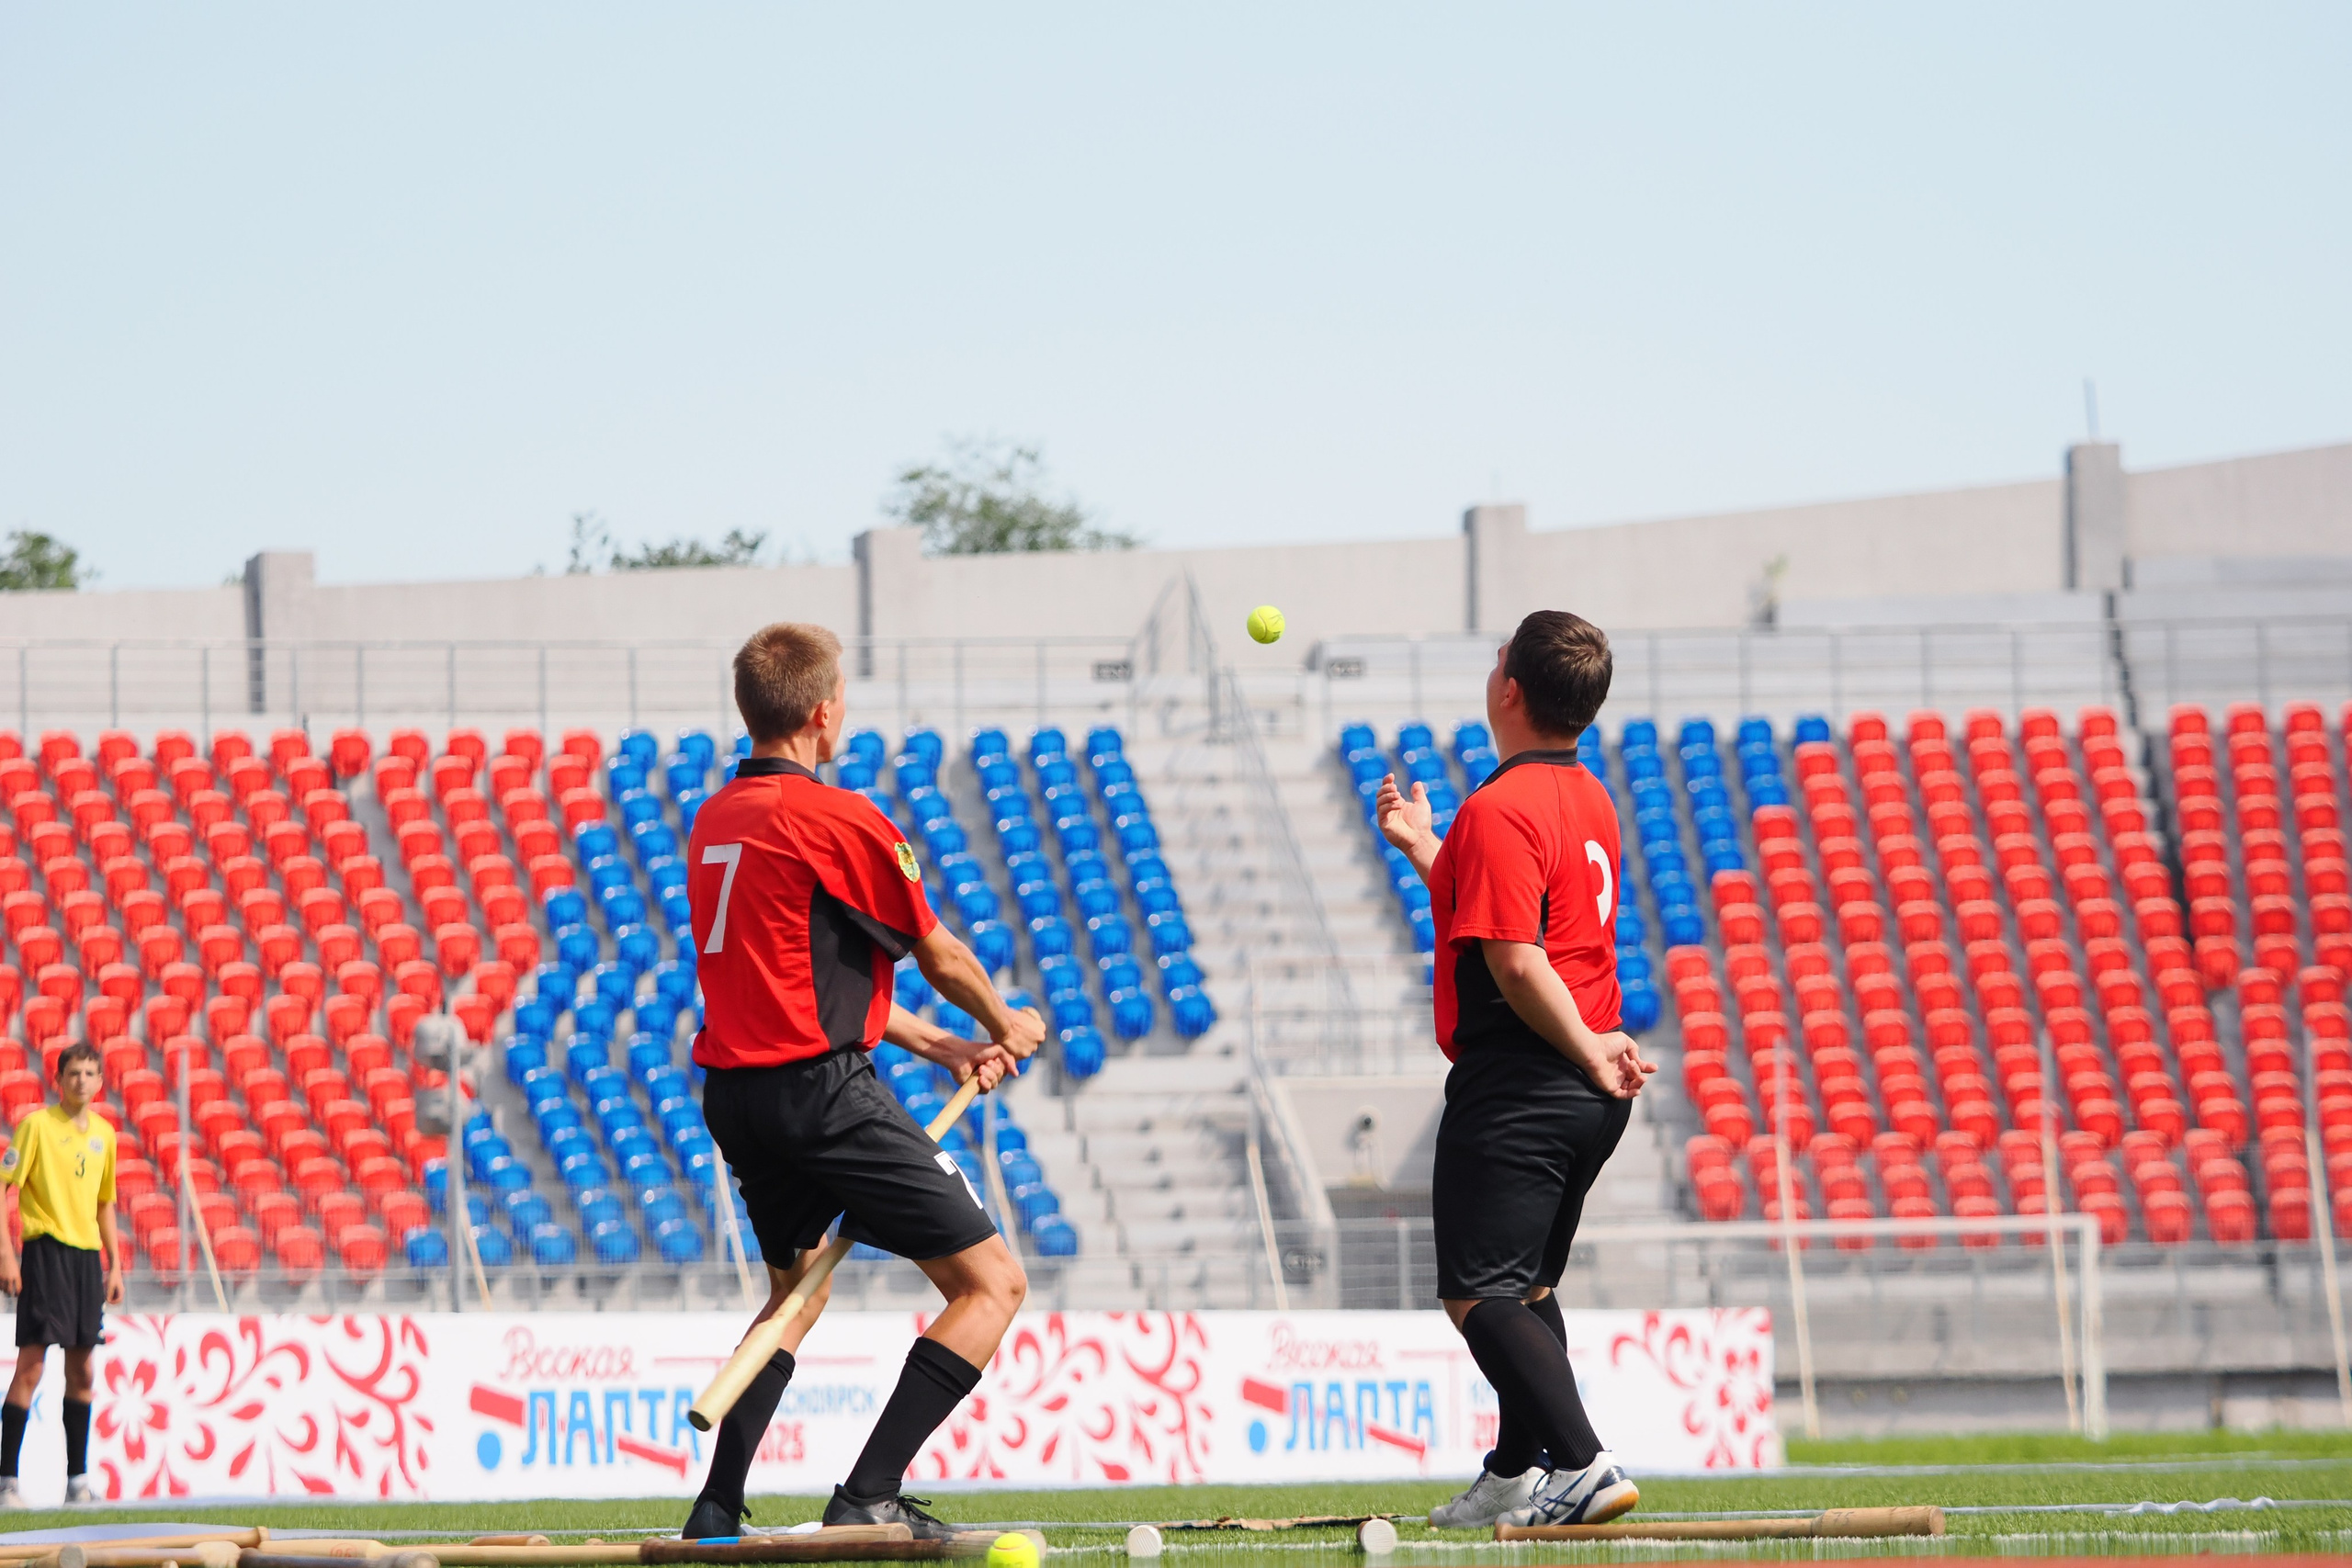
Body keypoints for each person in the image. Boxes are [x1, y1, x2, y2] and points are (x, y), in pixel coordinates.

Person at [681, 621, 1046, 1542]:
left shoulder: (716, 818)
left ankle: (715, 1509)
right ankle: (868, 1493)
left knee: (795, 1295)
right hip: (821, 1095)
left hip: (738, 1096)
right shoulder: (837, 818)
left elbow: (808, 981)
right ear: (823, 711)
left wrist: (946, 1049)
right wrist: (1003, 1022)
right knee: (992, 1285)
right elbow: (940, 953)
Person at [1376, 609, 1655, 1529]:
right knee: (1527, 1291)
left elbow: (1519, 963)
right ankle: (1513, 1471)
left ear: (1510, 689)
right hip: (1579, 1081)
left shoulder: (1500, 807)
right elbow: (1501, 912)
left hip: (1526, 1077)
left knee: (1478, 1292)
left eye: (1498, 657)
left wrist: (1584, 1047)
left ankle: (1581, 1464)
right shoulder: (1588, 795)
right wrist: (1424, 847)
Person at [0, 1043, 125, 1509]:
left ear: (100, 1081)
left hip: (87, 1261)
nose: (81, 1080)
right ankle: (6, 1482)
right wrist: (7, 1256)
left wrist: (115, 1264)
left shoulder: (105, 1135)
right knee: (32, 1366)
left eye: (90, 1073)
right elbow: (3, 1187)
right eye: (74, 1073)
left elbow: (105, 1203)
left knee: (83, 1370)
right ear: (59, 1079)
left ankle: (78, 1483)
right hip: (45, 1254)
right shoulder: (36, 1126)